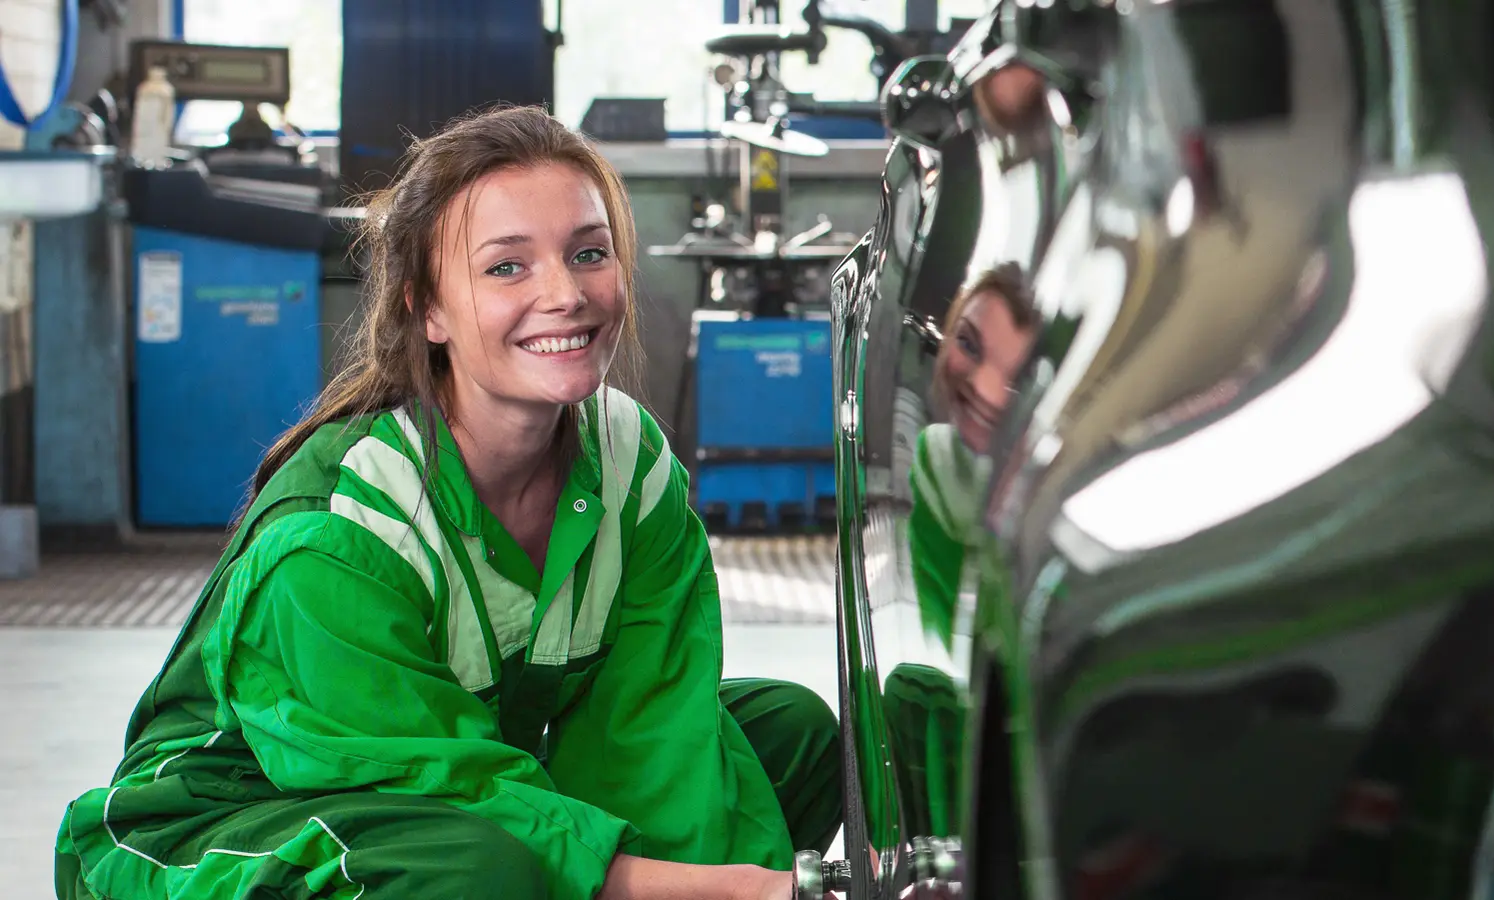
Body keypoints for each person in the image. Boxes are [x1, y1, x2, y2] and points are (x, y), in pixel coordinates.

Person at [55, 105, 841, 900]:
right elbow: (440, 787)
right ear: (426, 310)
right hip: (233, 825)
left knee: (789, 735)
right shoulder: (337, 535)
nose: (566, 293)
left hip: (446, 789)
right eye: (508, 267)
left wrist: (723, 878)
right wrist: (749, 890)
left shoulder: (629, 467)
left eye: (589, 253)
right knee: (475, 867)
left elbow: (650, 731)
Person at [908, 262, 1039, 648]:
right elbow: (939, 642)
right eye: (967, 343)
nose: (983, 388)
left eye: (1020, 377)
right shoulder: (940, 460)